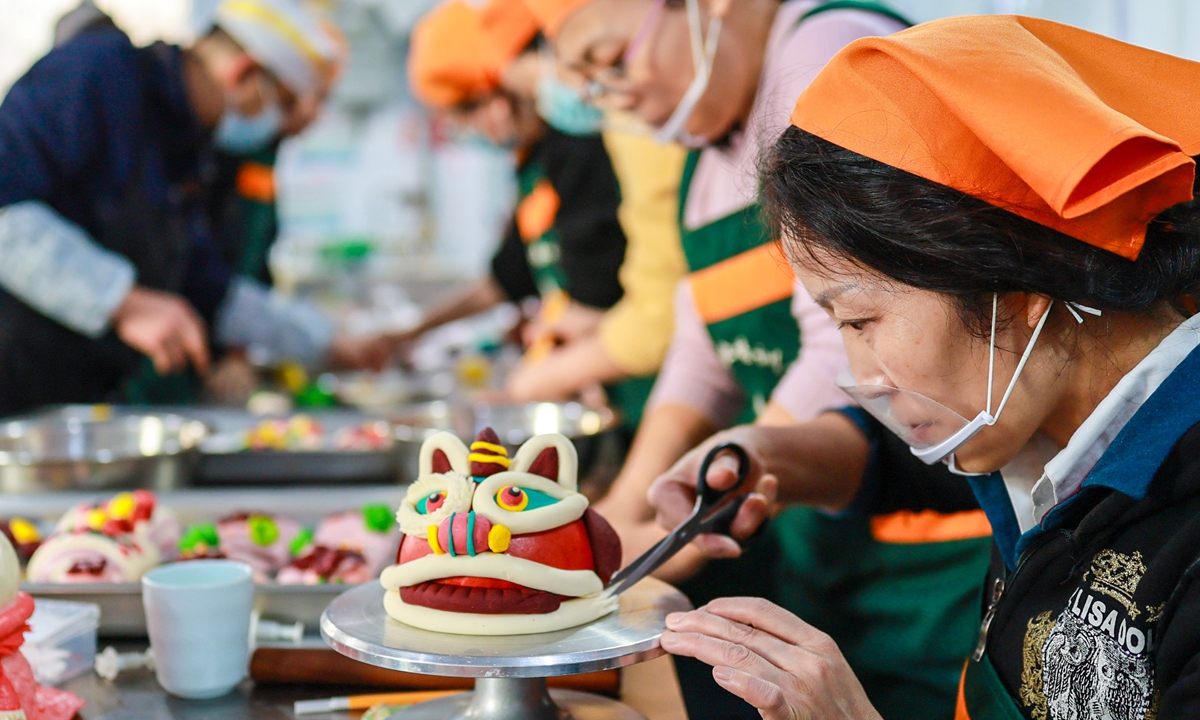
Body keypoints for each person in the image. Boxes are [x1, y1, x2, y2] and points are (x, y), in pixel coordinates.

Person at [649, 15, 1200, 719]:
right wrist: (765, 453)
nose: (864, 373)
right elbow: (901, 459)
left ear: (1015, 292)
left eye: (860, 321)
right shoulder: (1032, 422)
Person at [530, 0, 993, 717]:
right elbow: (701, 347)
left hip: (924, 564)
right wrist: (619, 514)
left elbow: (834, 353)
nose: (614, 97)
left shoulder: (825, 61)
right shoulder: (711, 146)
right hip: (819, 536)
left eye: (613, 60)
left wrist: (674, 531)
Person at [0, 0, 388, 416]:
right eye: (286, 104)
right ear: (244, 74)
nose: (285, 125)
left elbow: (206, 285)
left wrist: (321, 340)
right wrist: (123, 301)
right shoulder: (96, 73)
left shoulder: (186, 144)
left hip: (80, 401)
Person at [402, 0, 672, 427]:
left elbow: (643, 305)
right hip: (604, 373)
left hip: (643, 380)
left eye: (473, 106)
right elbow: (510, 274)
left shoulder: (591, 144)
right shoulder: (535, 161)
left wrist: (539, 377)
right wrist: (409, 333)